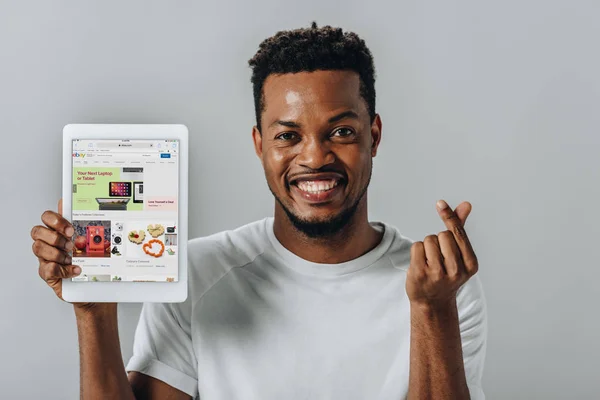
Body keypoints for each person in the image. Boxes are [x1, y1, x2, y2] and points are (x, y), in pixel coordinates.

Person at [30, 23, 487, 400]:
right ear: (259, 145)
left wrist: (431, 309)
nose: (314, 157)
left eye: (342, 132)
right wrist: (92, 312)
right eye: (288, 136)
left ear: (375, 135)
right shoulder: (198, 273)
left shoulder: (441, 288)